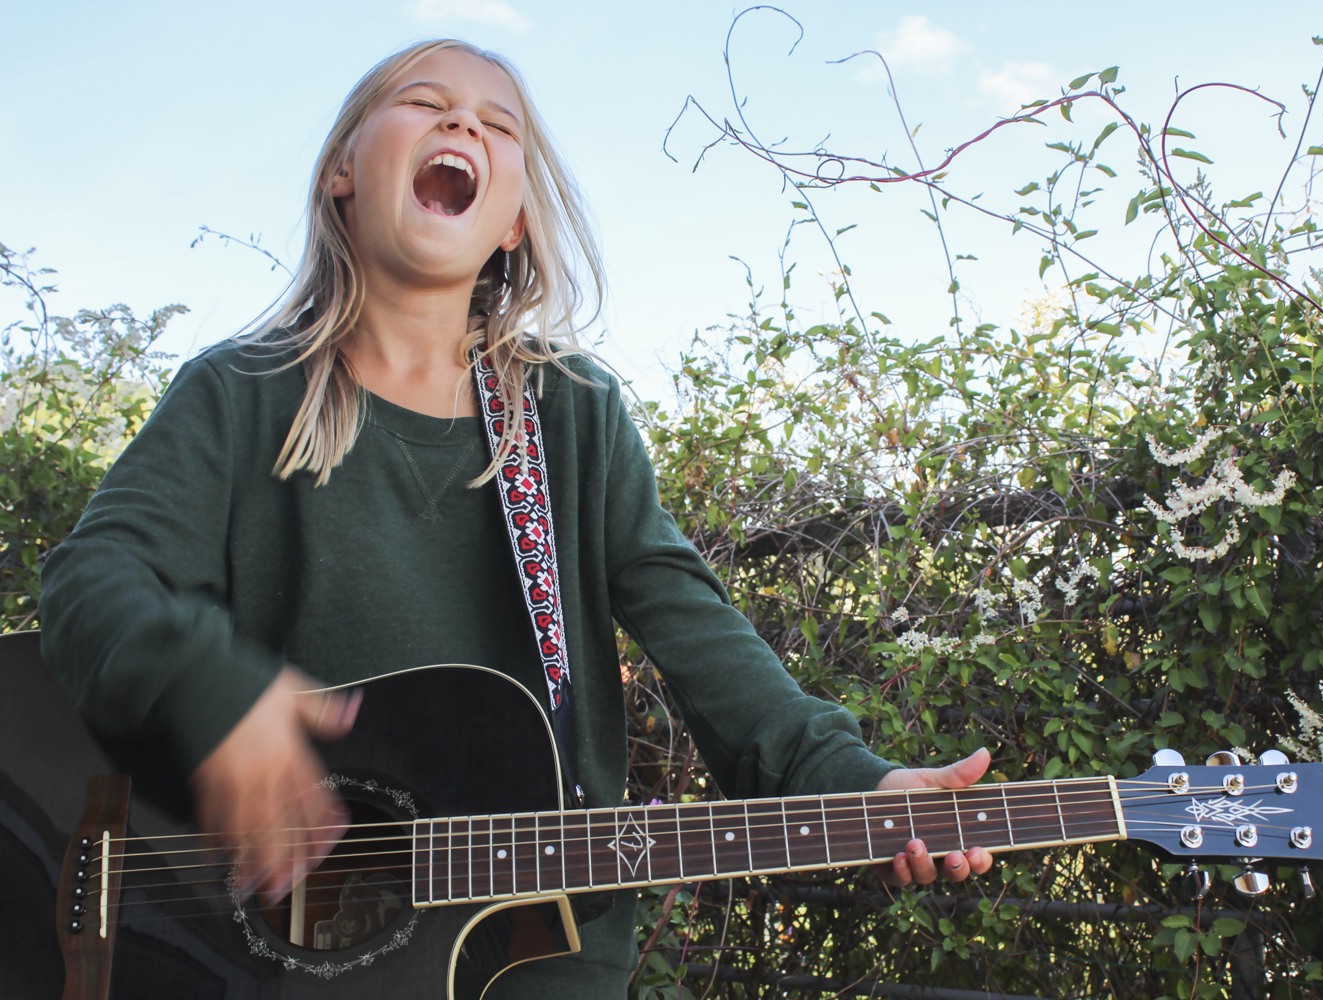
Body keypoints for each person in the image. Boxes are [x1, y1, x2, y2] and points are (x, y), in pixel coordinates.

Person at [39, 38, 992, 998]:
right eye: (425, 102)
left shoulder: (570, 414)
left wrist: (855, 783)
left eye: (500, 125)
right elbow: (92, 584)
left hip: (541, 955)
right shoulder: (239, 396)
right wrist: (211, 690)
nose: (463, 123)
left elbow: (699, 631)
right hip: (250, 961)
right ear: (341, 172)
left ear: (513, 221)